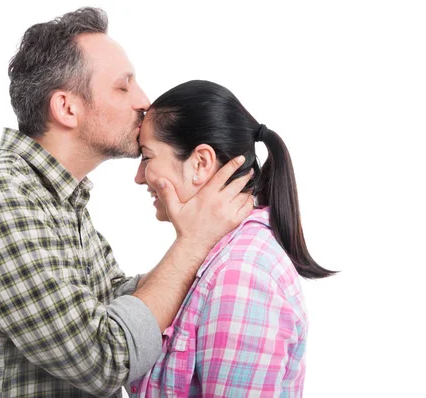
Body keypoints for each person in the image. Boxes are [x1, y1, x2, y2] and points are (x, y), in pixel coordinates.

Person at [0, 9, 254, 397]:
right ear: (67, 108)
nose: (144, 101)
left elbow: (111, 299)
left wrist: (206, 251)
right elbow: (104, 356)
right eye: (123, 86)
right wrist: (193, 243)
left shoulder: (60, 201)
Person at [130, 80, 336, 397]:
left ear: (200, 162)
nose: (139, 177)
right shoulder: (220, 258)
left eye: (146, 157)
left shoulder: (242, 273)